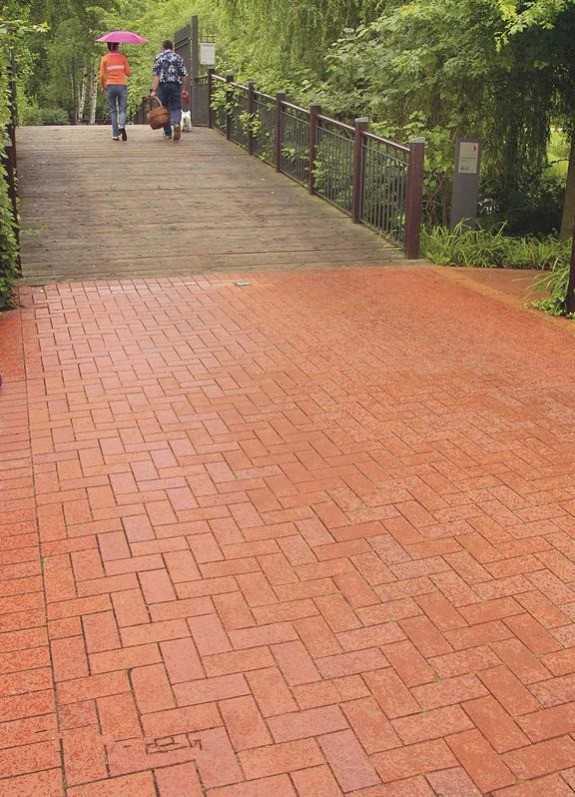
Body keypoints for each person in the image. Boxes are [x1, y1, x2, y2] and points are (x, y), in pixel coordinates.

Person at [151, 40, 187, 142]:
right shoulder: (178, 57)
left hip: (163, 86)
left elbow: (157, 76)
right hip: (175, 85)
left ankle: (167, 133)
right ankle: (176, 123)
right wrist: (184, 89)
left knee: (164, 109)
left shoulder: (159, 58)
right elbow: (184, 75)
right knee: (176, 107)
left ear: (163, 47)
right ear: (172, 47)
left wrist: (153, 90)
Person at [99, 42, 131, 141]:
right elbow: (128, 73)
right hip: (122, 85)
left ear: (108, 47)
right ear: (117, 46)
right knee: (122, 109)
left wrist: (103, 86)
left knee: (113, 111)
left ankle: (115, 134)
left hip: (110, 85)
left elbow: (102, 75)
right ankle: (121, 125)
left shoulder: (104, 58)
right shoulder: (123, 58)